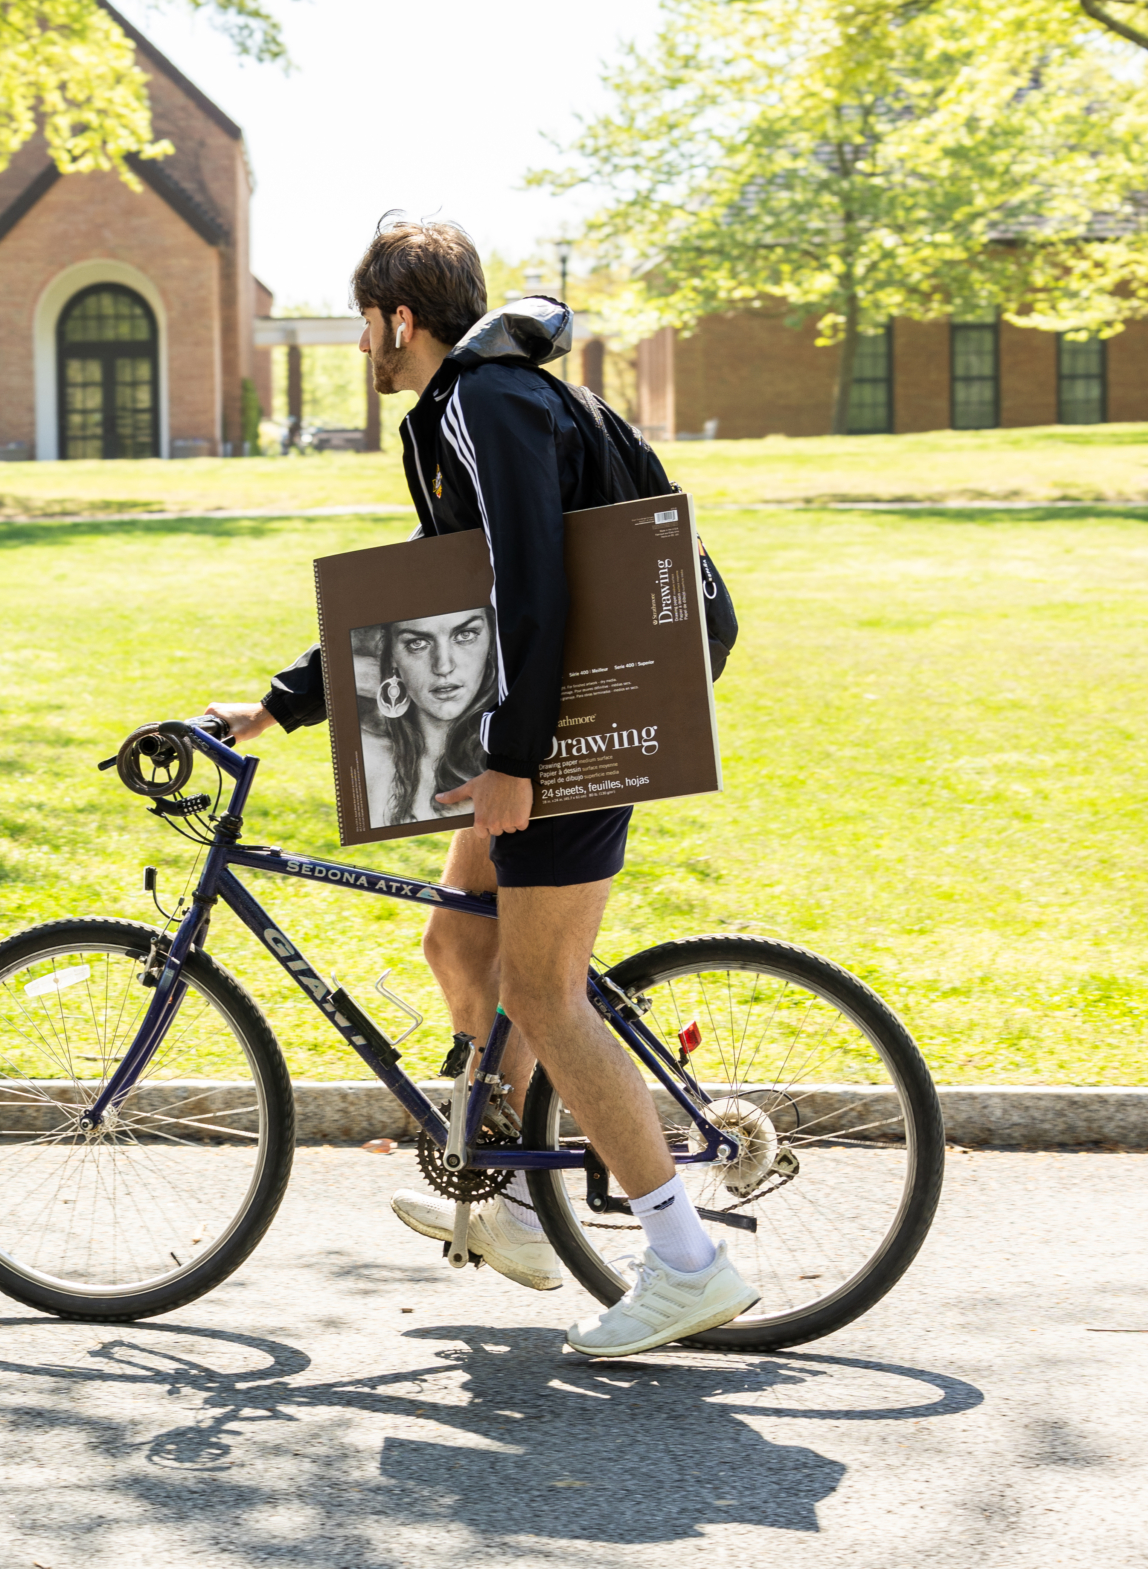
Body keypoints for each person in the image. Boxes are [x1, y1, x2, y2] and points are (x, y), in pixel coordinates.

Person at [205, 214, 758, 1358]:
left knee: (545, 995)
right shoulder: (465, 408)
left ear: (396, 318)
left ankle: (684, 1258)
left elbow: (530, 584)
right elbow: (440, 598)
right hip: (554, 704)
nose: (362, 341)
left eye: (364, 319)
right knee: (460, 948)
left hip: (585, 712)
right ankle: (511, 1200)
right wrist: (277, 704)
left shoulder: (487, 403)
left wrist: (509, 759)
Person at [351, 608, 492, 827]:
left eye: (465, 635)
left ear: (492, 643)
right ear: (391, 656)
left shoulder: (514, 756)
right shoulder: (367, 759)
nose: (443, 666)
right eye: (417, 643)